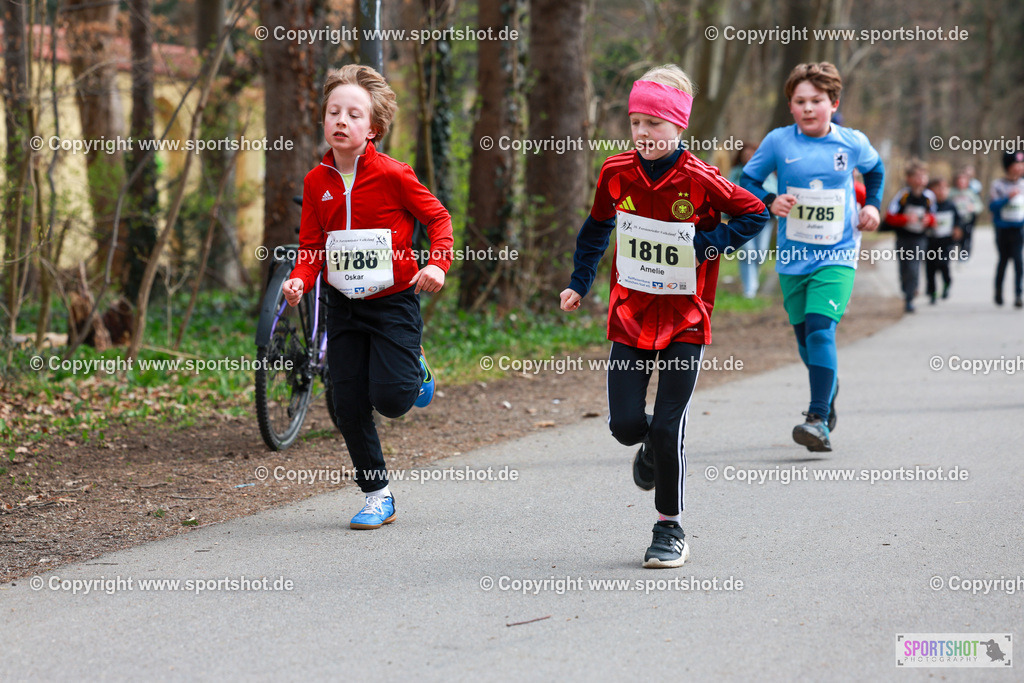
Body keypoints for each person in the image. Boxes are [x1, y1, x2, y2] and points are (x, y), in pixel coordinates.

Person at [560, 65, 767, 568]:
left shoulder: (700, 177)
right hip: (629, 315)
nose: (643, 133)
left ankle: (669, 527)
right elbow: (595, 231)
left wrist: (707, 246)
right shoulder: (615, 173)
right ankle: (649, 447)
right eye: (635, 122)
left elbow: (755, 213)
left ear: (678, 126)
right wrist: (578, 283)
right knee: (627, 425)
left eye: (654, 123)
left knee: (670, 423)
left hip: (686, 318)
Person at [282, 65, 454, 529]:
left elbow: (439, 221)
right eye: (333, 112)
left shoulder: (395, 175)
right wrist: (299, 279)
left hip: (393, 301)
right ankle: (377, 494)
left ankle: (414, 365)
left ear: (372, 128)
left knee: (394, 400)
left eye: (353, 114)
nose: (341, 120)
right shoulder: (315, 182)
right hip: (342, 306)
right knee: (346, 404)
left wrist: (436, 263)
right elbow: (311, 247)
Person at [741, 62, 885, 453]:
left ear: (833, 103)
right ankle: (829, 386)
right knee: (806, 344)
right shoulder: (778, 143)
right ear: (790, 106)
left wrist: (871, 206)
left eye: (816, 101)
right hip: (792, 256)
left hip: (838, 253)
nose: (808, 108)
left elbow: (876, 171)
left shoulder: (851, 142)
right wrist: (771, 200)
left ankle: (817, 418)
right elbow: (747, 181)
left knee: (822, 331)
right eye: (800, 101)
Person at [883, 159, 936, 313]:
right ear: (909, 178)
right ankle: (906, 289)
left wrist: (928, 220)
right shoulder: (903, 195)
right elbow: (890, 216)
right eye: (917, 176)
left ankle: (910, 298)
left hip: (920, 238)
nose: (921, 180)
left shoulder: (928, 197)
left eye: (923, 176)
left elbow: (934, 217)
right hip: (903, 237)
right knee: (904, 267)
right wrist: (905, 219)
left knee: (914, 266)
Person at [728, 144, 776, 298]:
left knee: (760, 252)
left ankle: (753, 279)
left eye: (751, 154)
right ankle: (749, 288)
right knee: (747, 252)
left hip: (765, 218)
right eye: (745, 155)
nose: (748, 157)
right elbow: (726, 193)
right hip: (741, 218)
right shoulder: (735, 173)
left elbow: (774, 193)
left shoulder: (766, 173)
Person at [990, 149, 1024, 308]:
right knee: (1003, 260)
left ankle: (1018, 294)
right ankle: (998, 291)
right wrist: (1007, 198)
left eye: (1021, 163)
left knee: (1018, 261)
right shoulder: (998, 185)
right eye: (1016, 164)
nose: (1019, 167)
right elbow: (993, 206)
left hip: (1018, 229)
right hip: (1003, 229)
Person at [924, 177, 962, 304]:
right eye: (938, 188)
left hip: (946, 242)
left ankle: (947, 282)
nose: (941, 191)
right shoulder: (929, 205)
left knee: (943, 263)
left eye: (944, 188)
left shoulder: (951, 205)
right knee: (930, 268)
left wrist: (957, 229)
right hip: (930, 241)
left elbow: (958, 220)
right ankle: (932, 292)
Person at [949, 169, 983, 260]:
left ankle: (964, 256)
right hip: (954, 221)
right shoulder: (950, 192)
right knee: (954, 239)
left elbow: (979, 205)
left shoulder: (971, 193)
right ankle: (951, 254)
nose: (961, 183)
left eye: (963, 181)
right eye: (959, 181)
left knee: (966, 238)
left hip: (967, 220)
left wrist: (973, 207)